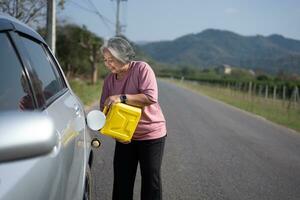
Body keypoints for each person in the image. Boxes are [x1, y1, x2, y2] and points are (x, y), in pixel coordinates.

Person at [99, 37, 167, 200]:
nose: (108, 64)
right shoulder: (109, 80)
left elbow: (150, 97)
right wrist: (116, 133)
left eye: (112, 60)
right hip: (124, 137)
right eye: (105, 60)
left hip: (151, 134)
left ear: (123, 56)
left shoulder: (142, 69)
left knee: (151, 181)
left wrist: (121, 98)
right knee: (122, 182)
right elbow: (104, 108)